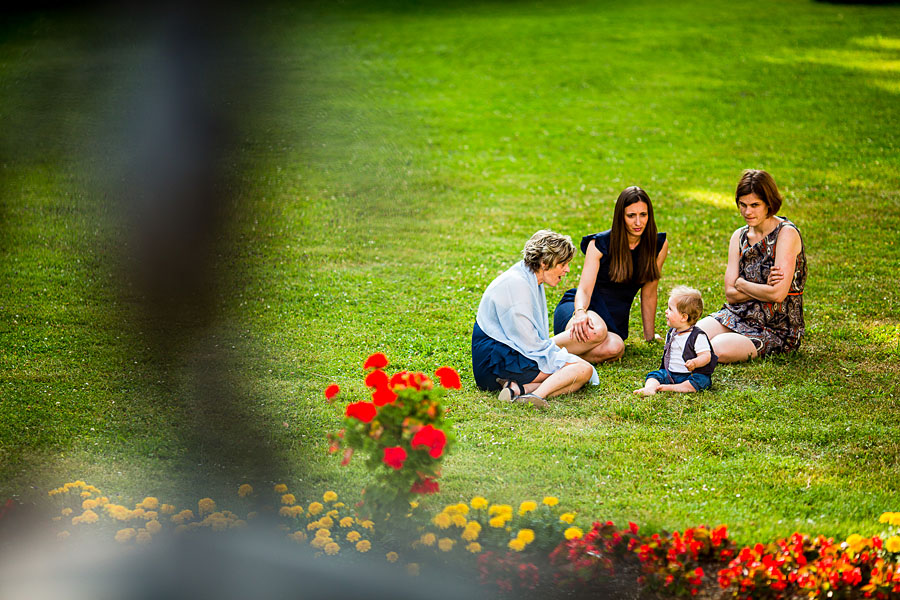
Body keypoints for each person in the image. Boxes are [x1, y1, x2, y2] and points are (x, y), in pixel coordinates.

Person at [472, 230, 599, 409]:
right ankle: (534, 395)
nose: (567, 269)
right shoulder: (518, 285)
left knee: (577, 373)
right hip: (495, 364)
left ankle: (518, 389)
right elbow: (529, 343)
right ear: (544, 262)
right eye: (563, 264)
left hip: (503, 356)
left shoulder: (528, 278)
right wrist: (563, 360)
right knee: (581, 370)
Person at [697, 169, 807, 362]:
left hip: (776, 326)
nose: (748, 212)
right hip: (739, 314)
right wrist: (764, 287)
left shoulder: (786, 234)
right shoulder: (739, 236)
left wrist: (741, 283)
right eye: (743, 205)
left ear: (769, 204)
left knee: (716, 348)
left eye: (755, 205)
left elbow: (777, 295)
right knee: (691, 338)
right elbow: (730, 294)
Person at [552, 186, 669, 363]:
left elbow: (650, 291)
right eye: (631, 216)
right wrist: (580, 313)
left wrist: (650, 337)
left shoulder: (657, 245)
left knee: (616, 348)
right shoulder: (600, 243)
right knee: (596, 331)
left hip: (613, 322)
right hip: (583, 308)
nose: (638, 222)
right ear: (620, 217)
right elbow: (583, 289)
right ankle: (534, 350)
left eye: (643, 215)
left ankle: (555, 357)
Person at [634, 286, 717, 396]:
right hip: (671, 373)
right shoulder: (672, 332)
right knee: (654, 375)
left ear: (683, 317)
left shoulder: (697, 336)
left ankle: (675, 387)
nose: (666, 311)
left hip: (690, 374)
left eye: (670, 309)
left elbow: (706, 356)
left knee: (701, 380)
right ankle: (650, 388)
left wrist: (695, 362)